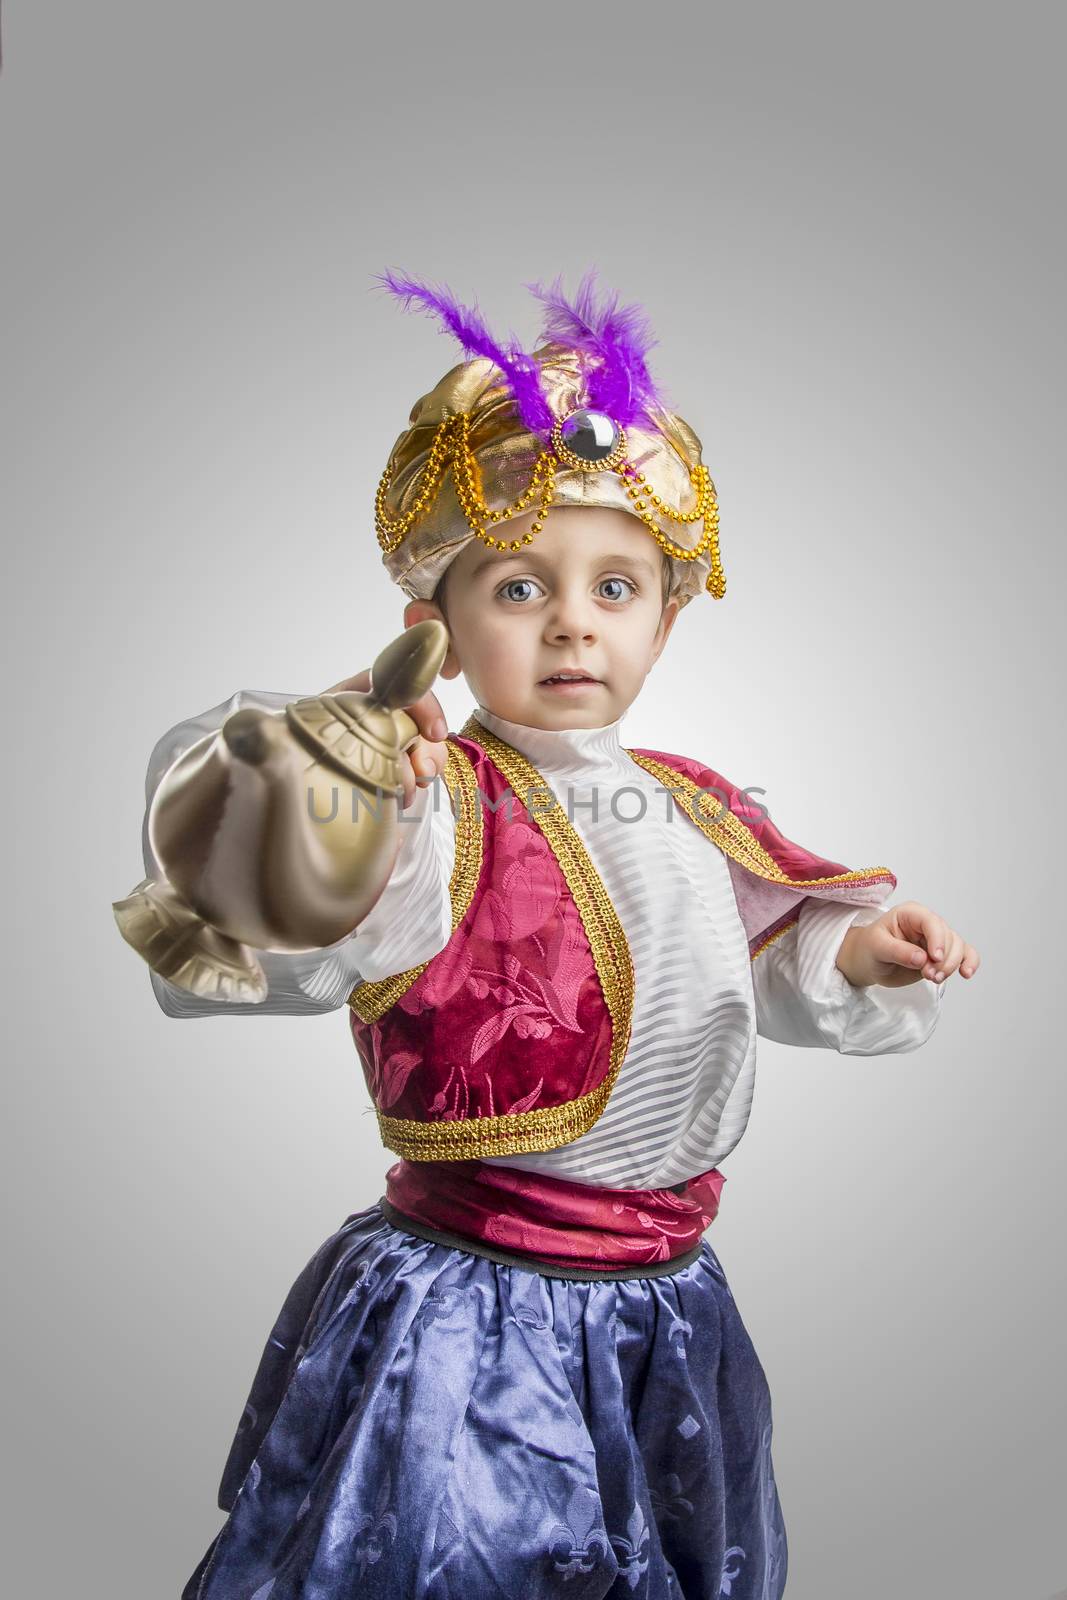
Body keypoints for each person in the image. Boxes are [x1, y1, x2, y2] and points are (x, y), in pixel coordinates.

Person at [120, 271, 979, 1599]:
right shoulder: (423, 806)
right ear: (439, 630)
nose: (574, 617)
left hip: (671, 1306)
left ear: (666, 617)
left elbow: (750, 966)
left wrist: (863, 951)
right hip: (472, 1309)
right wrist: (324, 789)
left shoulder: (693, 805)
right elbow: (273, 906)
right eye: (520, 587)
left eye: (616, 585)